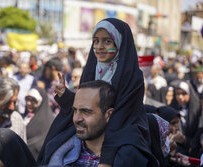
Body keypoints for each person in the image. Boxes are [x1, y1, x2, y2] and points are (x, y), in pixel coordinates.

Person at [39, 18, 155, 166]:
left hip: (124, 129)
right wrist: (66, 96)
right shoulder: (91, 69)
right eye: (96, 41)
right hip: (91, 128)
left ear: (119, 43)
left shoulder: (131, 74)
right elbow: (85, 105)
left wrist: (106, 159)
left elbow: (121, 116)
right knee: (54, 146)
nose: (100, 47)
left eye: (107, 41)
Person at [37, 80, 157, 166]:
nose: (77, 118)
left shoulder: (127, 158)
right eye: (75, 110)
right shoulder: (59, 153)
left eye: (86, 112)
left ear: (109, 115)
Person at [0, 77, 27, 142]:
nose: (12, 107)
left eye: (14, 102)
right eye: (7, 102)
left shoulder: (17, 120)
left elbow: (22, 150)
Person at [24, 88, 54, 160]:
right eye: (27, 99)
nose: (29, 103)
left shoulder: (46, 120)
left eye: (33, 100)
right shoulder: (28, 116)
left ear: (40, 101)